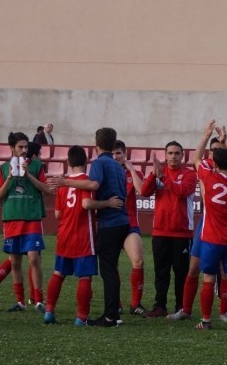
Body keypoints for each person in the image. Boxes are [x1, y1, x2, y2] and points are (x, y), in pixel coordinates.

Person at [49, 127, 128, 327]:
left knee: (106, 271)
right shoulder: (119, 166)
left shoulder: (98, 164)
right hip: (122, 221)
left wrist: (65, 181)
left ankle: (109, 316)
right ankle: (110, 313)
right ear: (113, 144)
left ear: (96, 145)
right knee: (111, 269)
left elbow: (92, 188)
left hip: (105, 223)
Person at [0, 132, 52, 313]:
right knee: (15, 261)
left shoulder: (37, 166)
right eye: (20, 147)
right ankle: (20, 302)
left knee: (34, 258)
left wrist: (28, 175)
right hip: (12, 218)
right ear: (12, 148)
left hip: (32, 218)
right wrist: (10, 177)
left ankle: (38, 300)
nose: (23, 150)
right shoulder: (4, 168)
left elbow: (48, 190)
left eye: (25, 147)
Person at [191, 119, 227, 332]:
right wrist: (225, 141)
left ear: (214, 164)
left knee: (208, 279)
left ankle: (206, 320)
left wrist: (206, 135)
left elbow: (196, 159)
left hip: (212, 238)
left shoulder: (209, 177)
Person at [141, 141, 197, 318]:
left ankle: (181, 307)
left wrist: (163, 178)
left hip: (181, 232)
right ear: (165, 155)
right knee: (161, 272)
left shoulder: (189, 174)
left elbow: (182, 192)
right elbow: (144, 192)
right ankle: (160, 306)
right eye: (170, 153)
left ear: (183, 156)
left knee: (181, 272)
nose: (173, 156)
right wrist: (153, 174)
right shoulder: (159, 173)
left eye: (177, 153)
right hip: (160, 231)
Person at [112, 140, 148, 315]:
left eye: (118, 153)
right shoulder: (105, 172)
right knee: (112, 265)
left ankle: (135, 304)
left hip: (129, 223)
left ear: (125, 154)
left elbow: (141, 190)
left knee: (138, 261)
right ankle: (115, 302)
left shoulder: (133, 172)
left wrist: (132, 169)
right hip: (109, 224)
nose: (115, 156)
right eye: (112, 153)